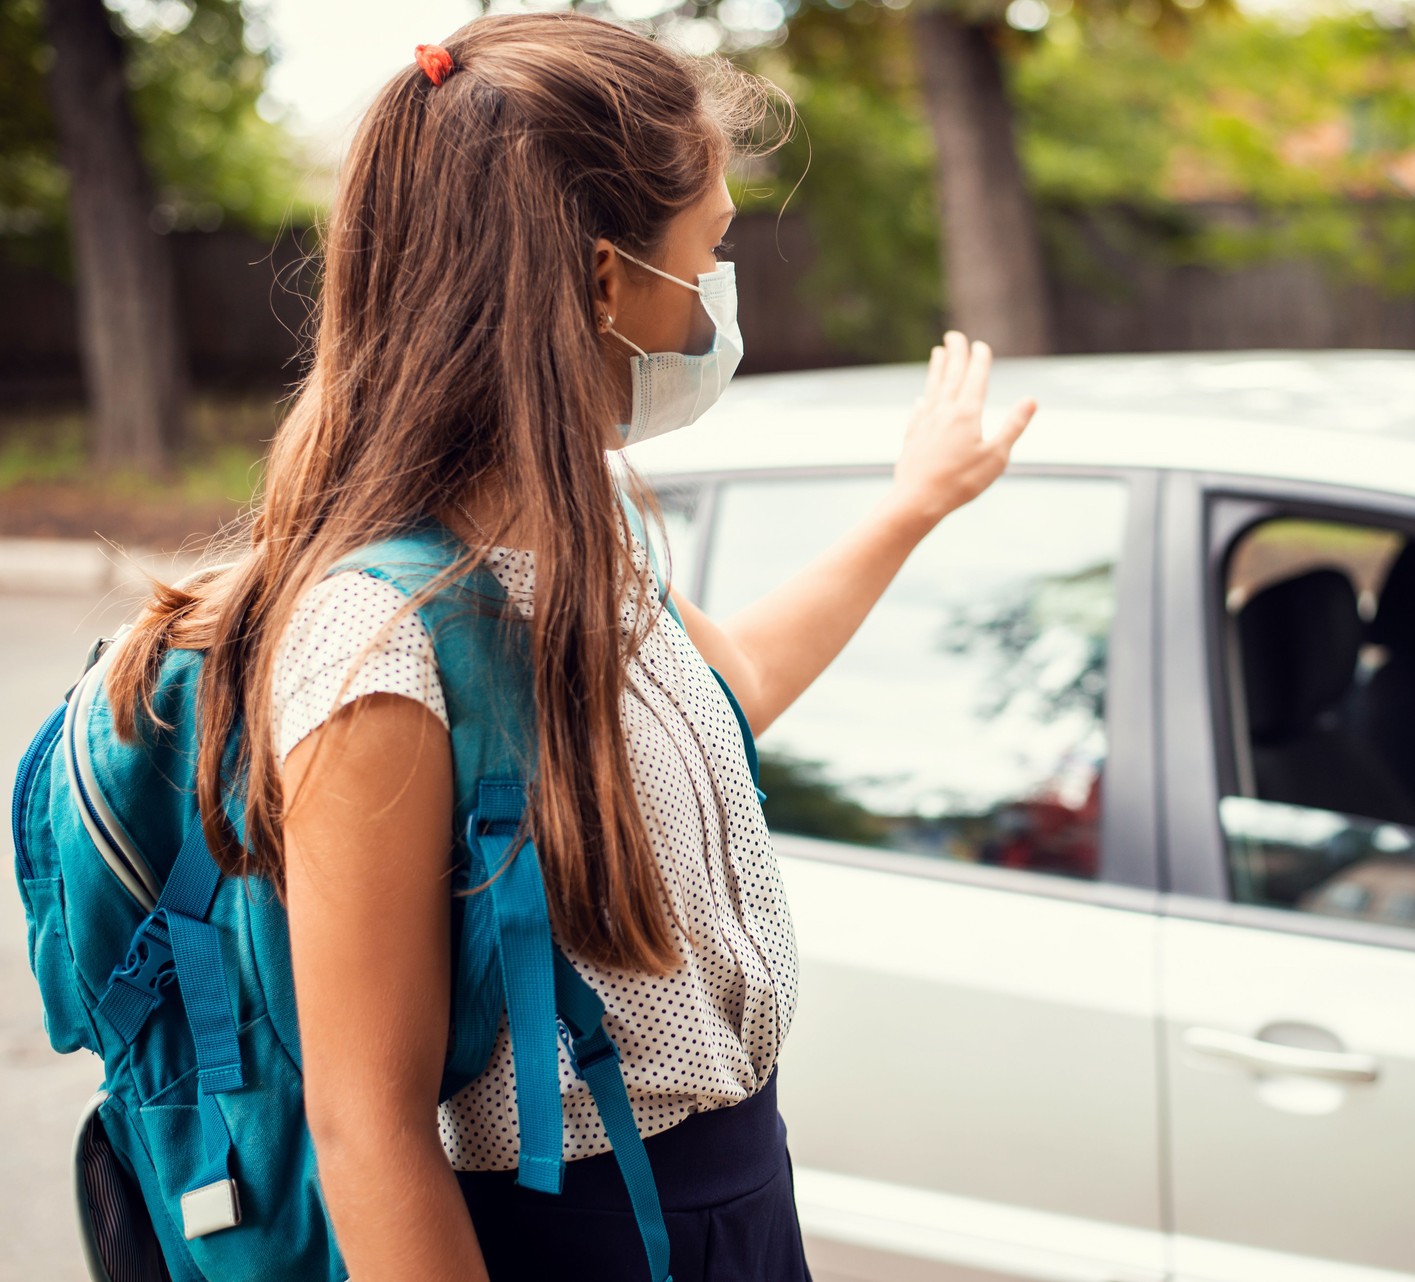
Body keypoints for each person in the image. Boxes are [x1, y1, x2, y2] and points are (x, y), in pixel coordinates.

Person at [103, 13, 1033, 1281]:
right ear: (602, 281)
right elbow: (366, 1123)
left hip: (737, 1199)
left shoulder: (586, 528)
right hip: (579, 1238)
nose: (720, 292)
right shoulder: (375, 648)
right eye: (710, 248)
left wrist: (914, 502)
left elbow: (737, 682)